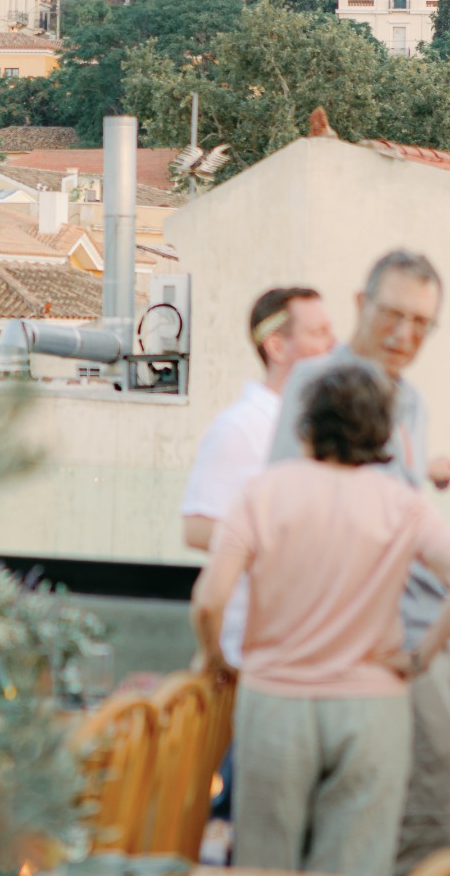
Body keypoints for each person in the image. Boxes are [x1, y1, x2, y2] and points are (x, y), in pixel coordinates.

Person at [193, 364, 450, 876]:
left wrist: (218, 656)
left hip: (275, 702)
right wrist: (422, 655)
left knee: (264, 862)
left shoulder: (262, 492)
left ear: (304, 427)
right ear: (384, 437)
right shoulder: (405, 505)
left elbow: (209, 598)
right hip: (372, 707)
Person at [269, 249, 448, 876]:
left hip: (419, 628)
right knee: (427, 805)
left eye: (422, 323)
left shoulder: (413, 403)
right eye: (393, 314)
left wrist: (428, 476)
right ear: (359, 306)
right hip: (370, 642)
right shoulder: (316, 382)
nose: (405, 334)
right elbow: (290, 507)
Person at [181, 286, 335, 665]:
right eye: (319, 334)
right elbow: (196, 528)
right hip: (255, 651)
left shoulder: (318, 427)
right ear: (277, 347)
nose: (335, 345)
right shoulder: (240, 427)